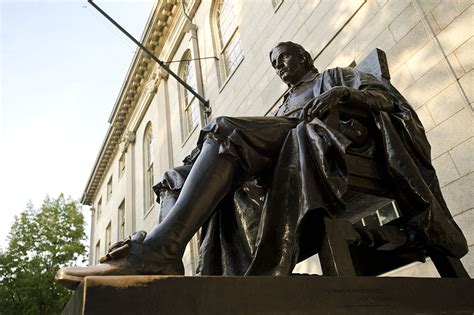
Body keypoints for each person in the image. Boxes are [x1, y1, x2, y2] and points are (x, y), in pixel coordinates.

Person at [56, 42, 467, 289]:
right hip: (289, 147)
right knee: (175, 175)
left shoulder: (338, 76)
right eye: (274, 63)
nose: (279, 67)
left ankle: (161, 248)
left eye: (284, 58)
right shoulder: (283, 105)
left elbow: (389, 103)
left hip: (339, 149)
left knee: (225, 129)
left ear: (304, 57)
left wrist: (343, 95)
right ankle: (168, 267)